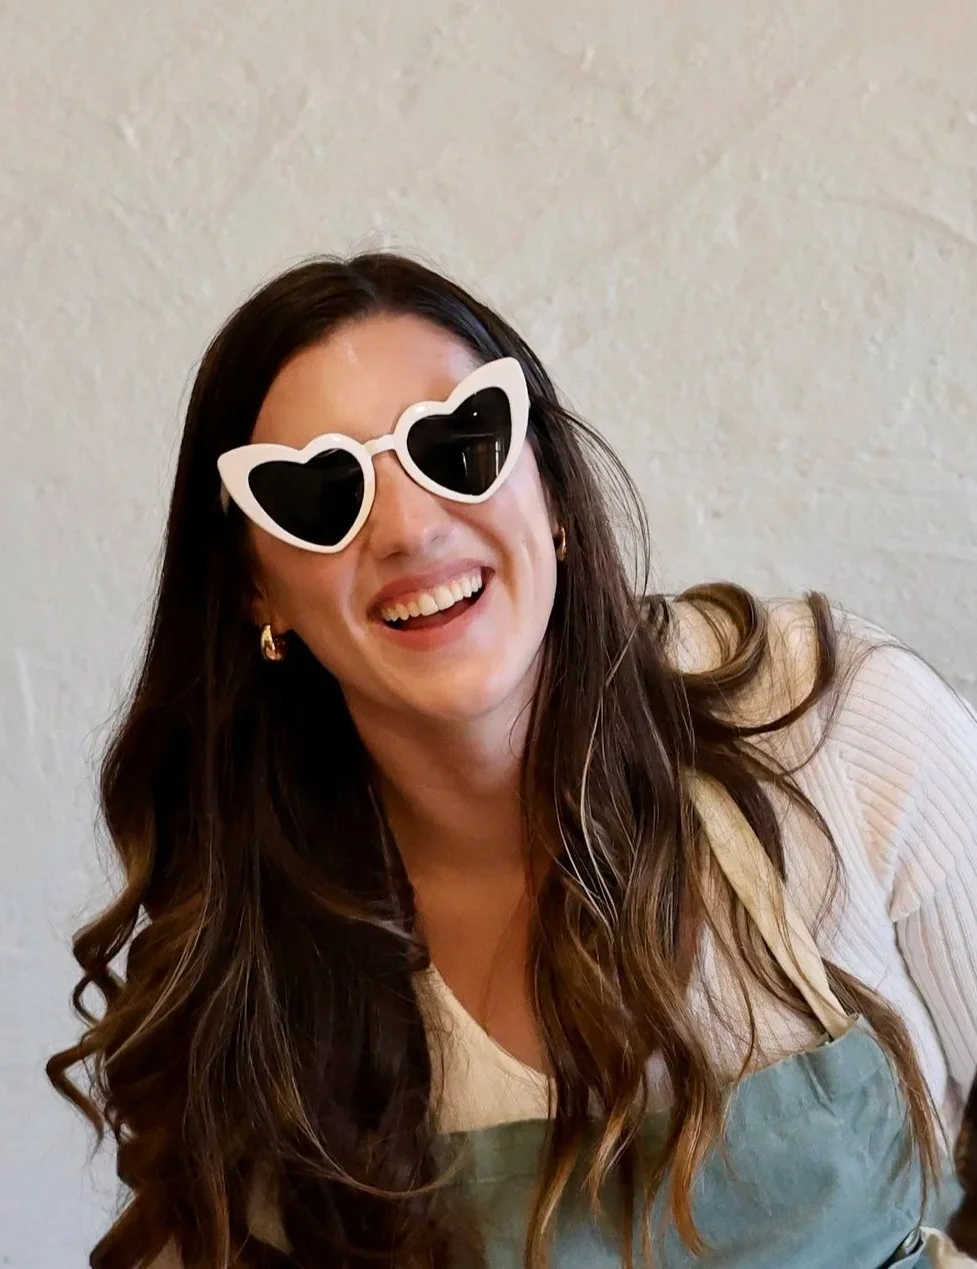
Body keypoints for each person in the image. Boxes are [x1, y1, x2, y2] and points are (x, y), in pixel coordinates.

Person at [48, 252, 977, 1268]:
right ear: (257, 594)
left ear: (553, 493)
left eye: (460, 442)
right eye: (320, 494)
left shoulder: (826, 730)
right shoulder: (255, 968)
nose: (408, 527)